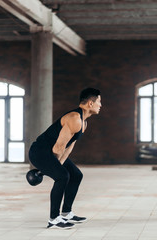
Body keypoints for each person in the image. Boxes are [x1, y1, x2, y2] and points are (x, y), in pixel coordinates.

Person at [28, 88, 101, 229]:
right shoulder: (74, 119)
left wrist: (57, 165)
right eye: (99, 101)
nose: (101, 105)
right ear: (90, 103)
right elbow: (58, 147)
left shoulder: (83, 122)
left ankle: (66, 212)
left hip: (52, 152)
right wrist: (54, 168)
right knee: (62, 176)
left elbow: (69, 146)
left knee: (76, 175)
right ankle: (54, 219)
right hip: (39, 152)